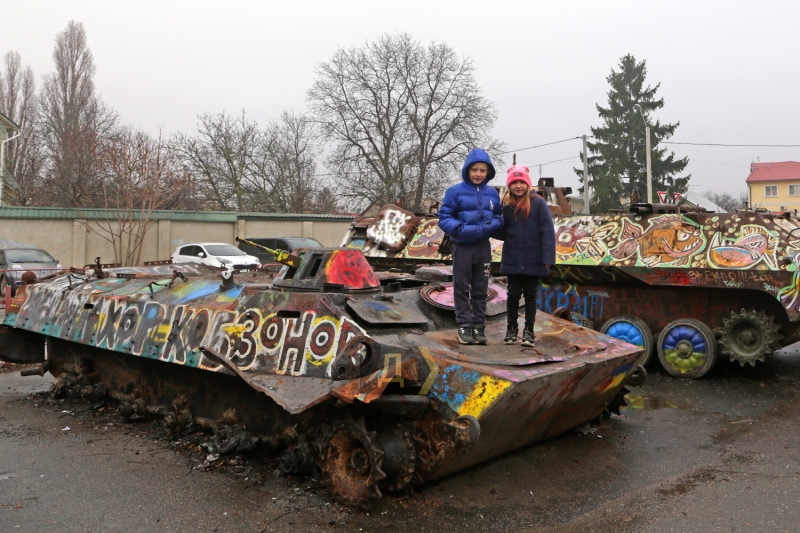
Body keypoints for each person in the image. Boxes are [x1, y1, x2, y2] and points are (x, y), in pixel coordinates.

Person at [438, 148, 503, 345]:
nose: (478, 174)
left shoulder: (492, 193)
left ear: (488, 172)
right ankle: (464, 326)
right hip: (463, 247)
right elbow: (444, 216)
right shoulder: (455, 192)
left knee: (481, 288)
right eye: (474, 170)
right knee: (461, 287)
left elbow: (499, 216)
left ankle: (478, 326)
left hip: (483, 247)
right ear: (467, 170)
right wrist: (458, 229)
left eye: (482, 170)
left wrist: (492, 226)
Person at [495, 165, 555, 347]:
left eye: (522, 182)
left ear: (528, 184)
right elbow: (503, 232)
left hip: (534, 259)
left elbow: (548, 232)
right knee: (512, 295)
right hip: (512, 258)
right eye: (514, 182)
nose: (518, 186)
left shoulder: (538, 203)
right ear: (509, 185)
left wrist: (548, 258)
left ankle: (529, 331)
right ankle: (511, 328)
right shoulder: (506, 206)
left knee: (530, 295)